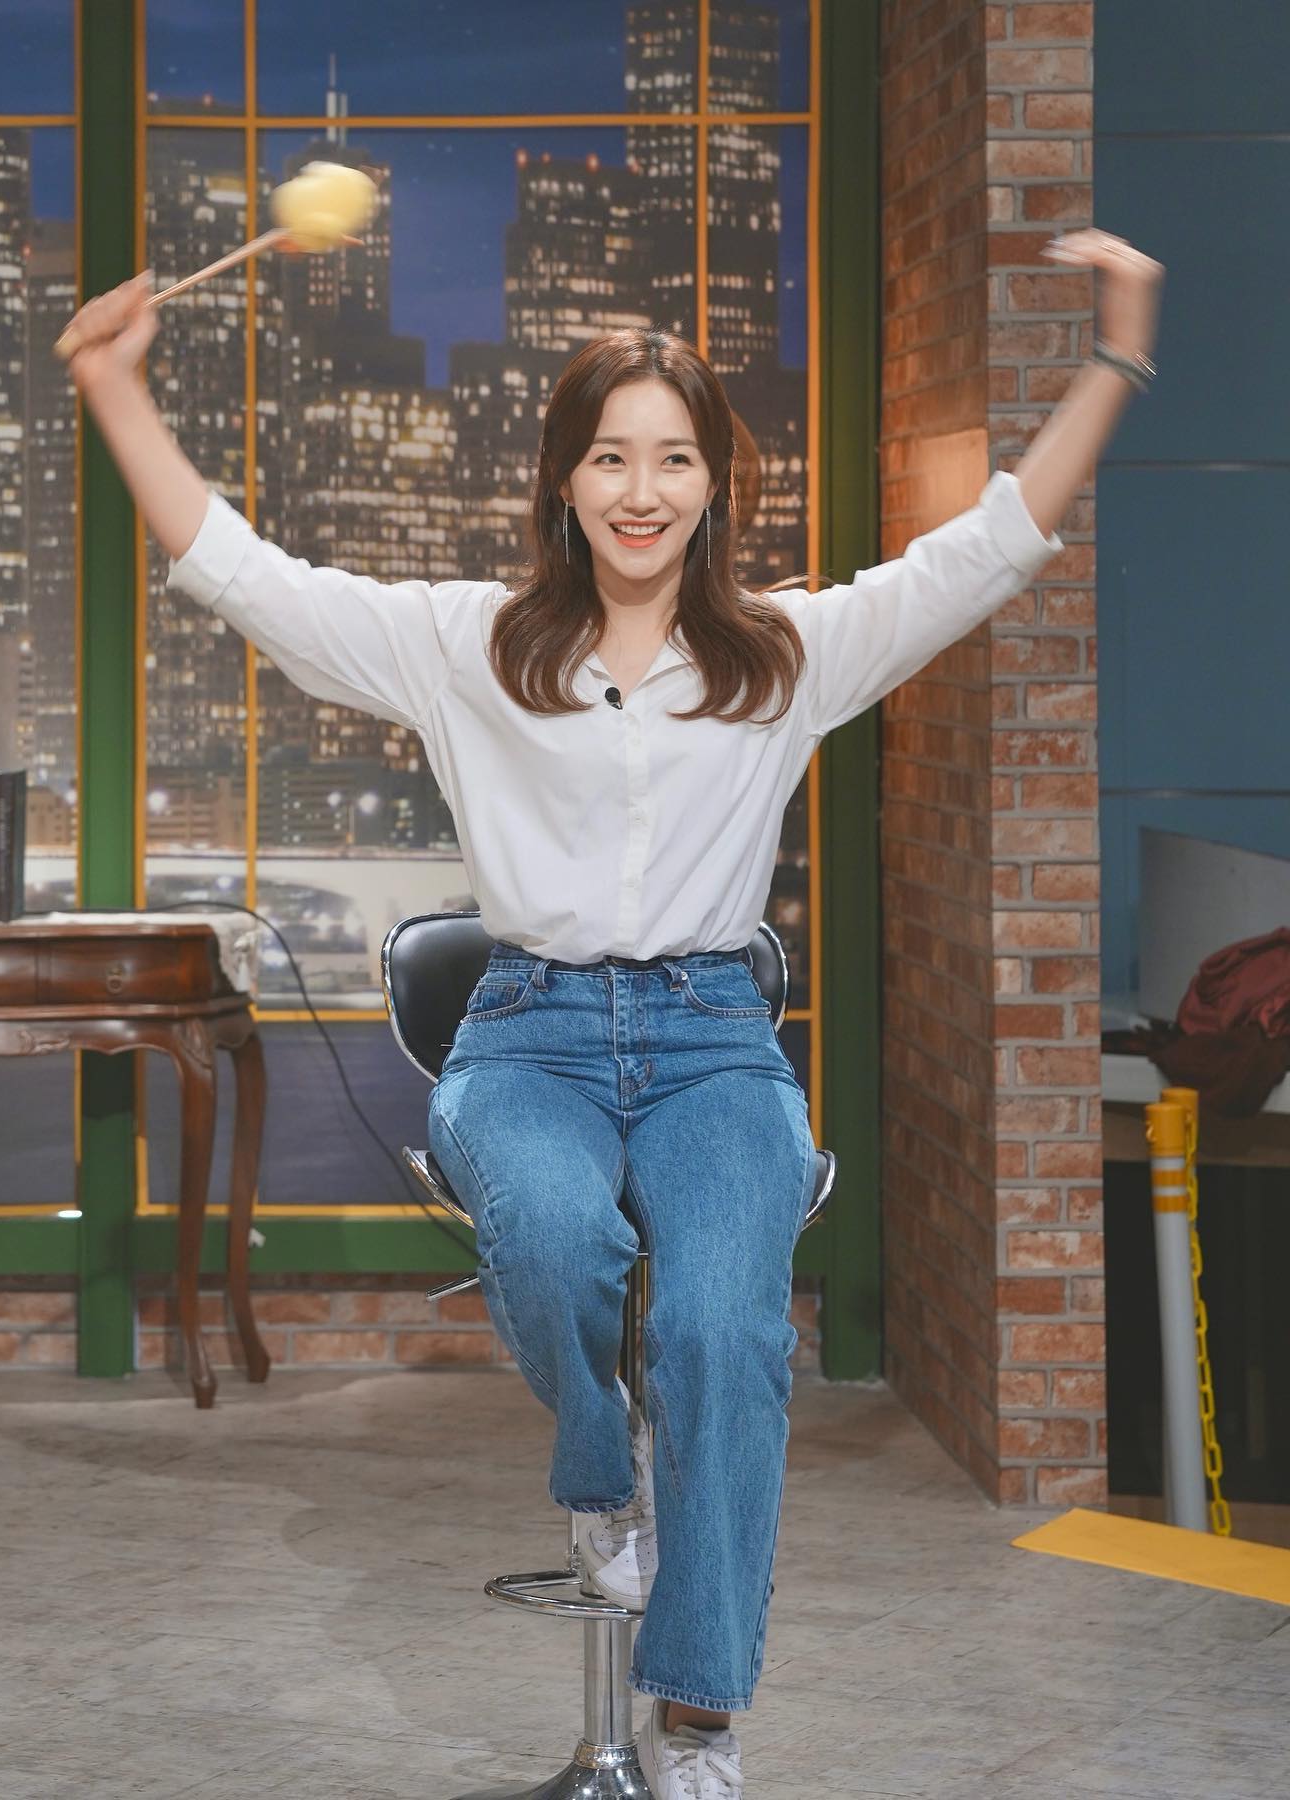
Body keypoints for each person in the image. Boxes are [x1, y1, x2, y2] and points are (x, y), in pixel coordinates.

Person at [63, 225, 1162, 1799]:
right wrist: (115, 386)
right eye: (609, 458)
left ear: (715, 483)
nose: (641, 491)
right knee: (555, 1234)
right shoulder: (467, 646)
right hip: (528, 1038)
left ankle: (700, 1720)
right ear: (563, 483)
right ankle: (604, 1482)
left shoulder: (784, 653)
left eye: (674, 459)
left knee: (724, 1332)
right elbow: (252, 579)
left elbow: (988, 549)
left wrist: (1114, 354)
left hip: (715, 1046)